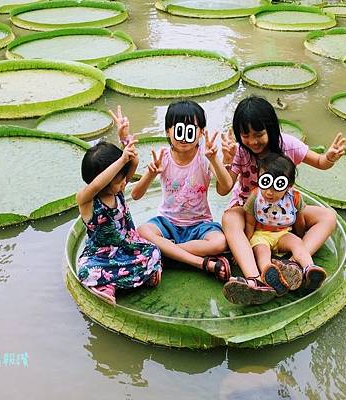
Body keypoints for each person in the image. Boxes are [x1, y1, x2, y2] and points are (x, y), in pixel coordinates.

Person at [221, 95, 346, 305]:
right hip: (247, 207)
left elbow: (320, 162)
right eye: (246, 135)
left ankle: (293, 266)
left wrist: (330, 157)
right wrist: (226, 161)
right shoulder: (239, 151)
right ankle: (254, 280)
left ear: (270, 129)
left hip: (284, 211)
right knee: (229, 219)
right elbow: (224, 189)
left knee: (328, 216)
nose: (252, 141)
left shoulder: (287, 144)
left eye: (259, 134)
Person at [127, 100, 234, 281]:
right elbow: (135, 195)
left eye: (191, 130)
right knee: (143, 231)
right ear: (168, 131)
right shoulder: (163, 157)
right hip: (167, 222)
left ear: (200, 132)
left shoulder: (205, 157)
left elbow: (226, 188)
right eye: (179, 130)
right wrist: (151, 173)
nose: (184, 137)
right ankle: (199, 261)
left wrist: (216, 159)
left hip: (200, 224)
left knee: (219, 242)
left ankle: (166, 254)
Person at [76, 140, 162, 305]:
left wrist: (128, 147)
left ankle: (132, 277)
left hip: (128, 248)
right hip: (101, 256)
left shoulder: (118, 190)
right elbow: (96, 185)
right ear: (106, 181)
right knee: (87, 271)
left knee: (154, 252)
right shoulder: (86, 201)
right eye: (119, 179)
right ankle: (107, 286)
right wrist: (121, 160)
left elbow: (133, 163)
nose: (125, 182)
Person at [231, 153, 326, 302]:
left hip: (283, 233)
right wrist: (247, 244)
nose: (269, 192)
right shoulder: (255, 197)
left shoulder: (294, 198)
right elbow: (249, 223)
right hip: (260, 235)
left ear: (288, 185)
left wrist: (299, 236)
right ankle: (268, 272)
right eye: (266, 183)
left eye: (277, 186)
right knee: (262, 252)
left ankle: (309, 269)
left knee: (297, 244)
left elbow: (299, 220)